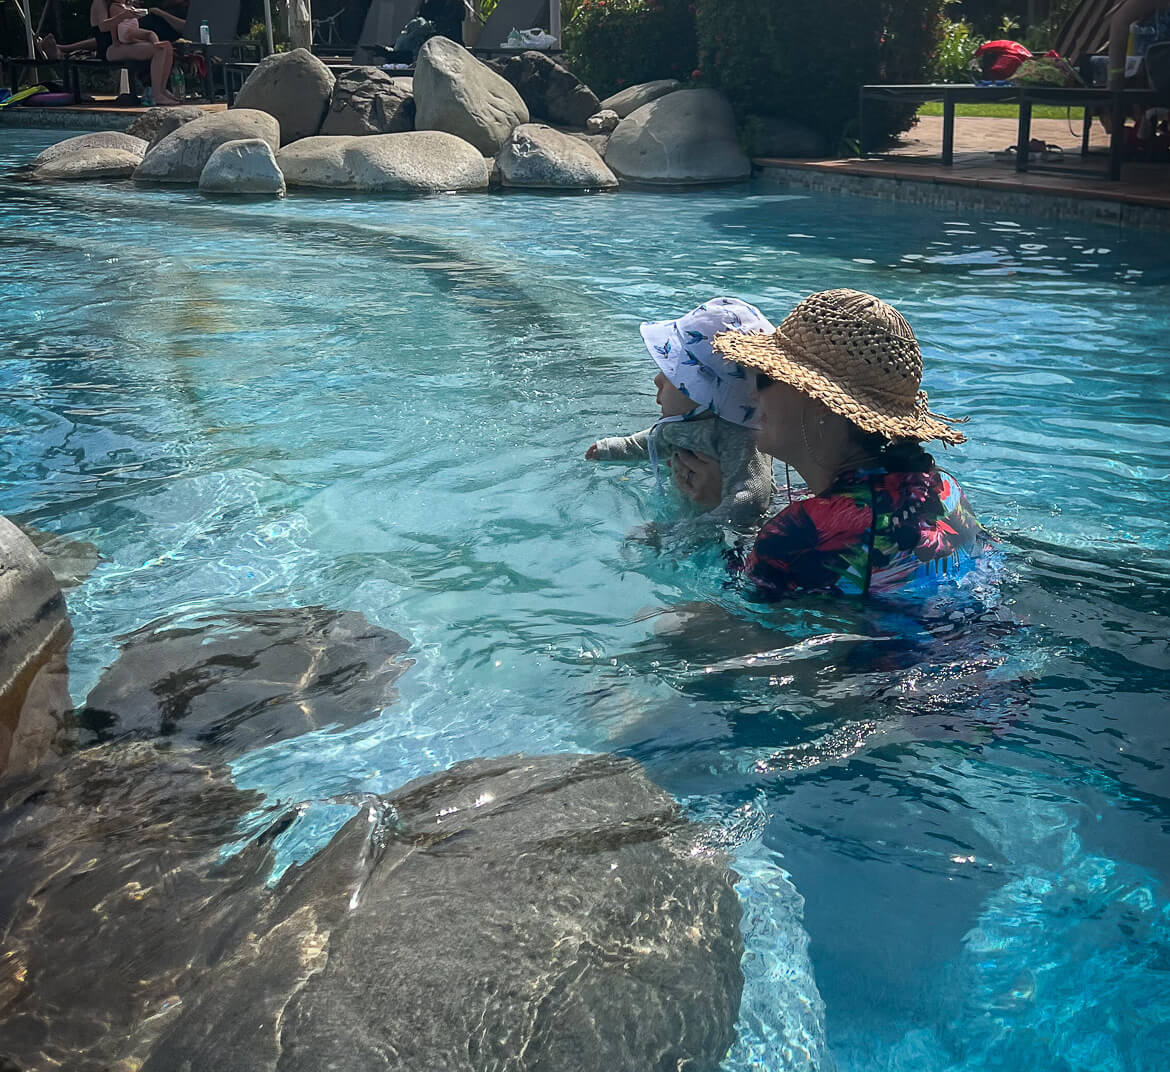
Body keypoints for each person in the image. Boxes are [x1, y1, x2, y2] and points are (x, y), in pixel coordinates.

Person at [671, 288, 988, 600]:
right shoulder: (942, 486)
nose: (753, 393)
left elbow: (735, 615)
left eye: (766, 376)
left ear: (820, 404)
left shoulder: (803, 533)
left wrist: (717, 514)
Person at [586, 298, 777, 544]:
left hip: (727, 538)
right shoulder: (684, 422)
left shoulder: (741, 439)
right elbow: (652, 441)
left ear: (707, 394)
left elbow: (751, 499)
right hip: (691, 514)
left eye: (674, 373)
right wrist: (612, 448)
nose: (657, 379)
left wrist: (684, 531)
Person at [90, 0, 179, 105]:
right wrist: (122, 16)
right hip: (111, 48)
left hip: (124, 43)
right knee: (158, 50)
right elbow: (103, 27)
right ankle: (156, 95)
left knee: (166, 47)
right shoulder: (100, 2)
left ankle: (162, 90)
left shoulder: (122, 5)